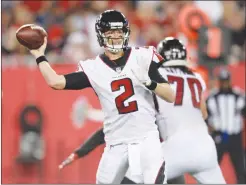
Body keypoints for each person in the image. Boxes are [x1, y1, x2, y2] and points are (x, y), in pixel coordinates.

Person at [29, 10, 175, 184]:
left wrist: (151, 83)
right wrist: (39, 55)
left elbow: (170, 95)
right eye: (110, 32)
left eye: (119, 31)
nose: (115, 36)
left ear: (125, 32)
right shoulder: (94, 68)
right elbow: (55, 81)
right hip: (115, 143)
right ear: (101, 36)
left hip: (146, 139)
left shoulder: (142, 57)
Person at [59, 37, 226, 184]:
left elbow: (125, 119)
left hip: (175, 146)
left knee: (132, 178)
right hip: (205, 148)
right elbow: (203, 114)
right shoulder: (195, 78)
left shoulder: (155, 77)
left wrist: (84, 148)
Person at [206, 69, 246, 184]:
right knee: (212, 167)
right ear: (219, 82)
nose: (224, 84)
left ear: (229, 81)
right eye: (222, 81)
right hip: (218, 136)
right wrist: (210, 128)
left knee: (240, 168)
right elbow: (205, 116)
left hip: (235, 136)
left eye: (226, 81)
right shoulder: (212, 96)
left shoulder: (239, 95)